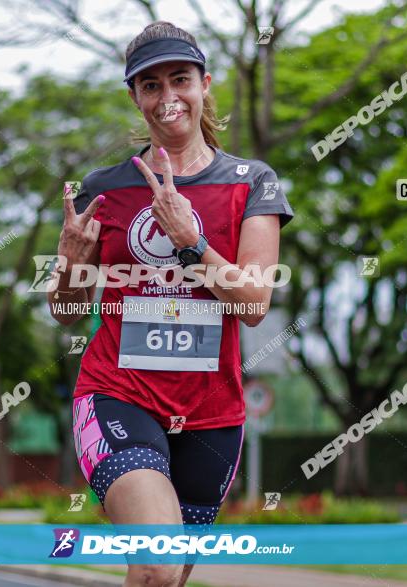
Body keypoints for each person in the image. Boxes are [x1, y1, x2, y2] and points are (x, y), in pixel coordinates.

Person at [47, 21, 294, 587]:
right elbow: (66, 310)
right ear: (134, 97)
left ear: (205, 84)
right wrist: (68, 261)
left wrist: (192, 242)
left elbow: (254, 301)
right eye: (150, 85)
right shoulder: (104, 188)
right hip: (118, 395)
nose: (167, 97)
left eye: (179, 79)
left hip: (212, 413)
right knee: (157, 565)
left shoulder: (251, 182)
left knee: (167, 577)